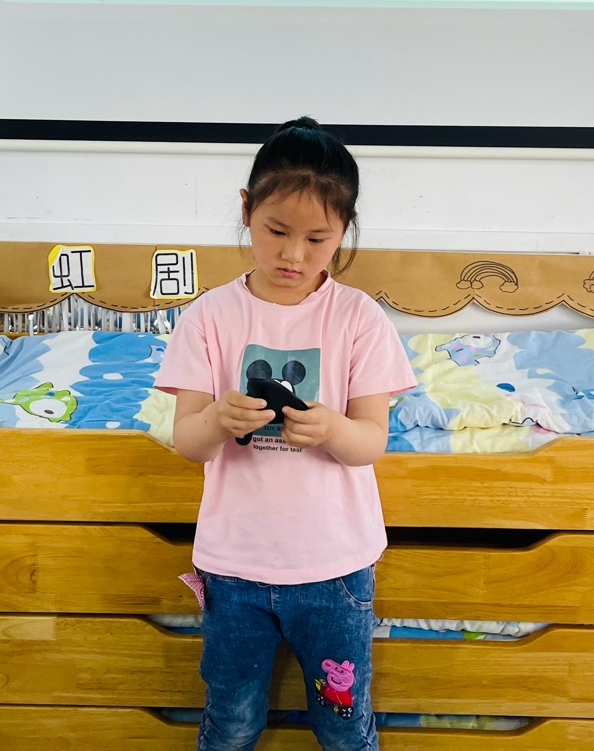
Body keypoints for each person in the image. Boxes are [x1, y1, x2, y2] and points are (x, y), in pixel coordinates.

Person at [156, 117, 416, 751]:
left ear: (344, 230)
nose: (293, 255)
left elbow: (371, 441)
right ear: (246, 211)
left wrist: (331, 429)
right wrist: (218, 420)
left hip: (336, 568)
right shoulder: (210, 316)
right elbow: (187, 440)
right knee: (230, 721)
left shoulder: (358, 318)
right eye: (276, 231)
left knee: (343, 723)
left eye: (317, 239)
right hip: (232, 567)